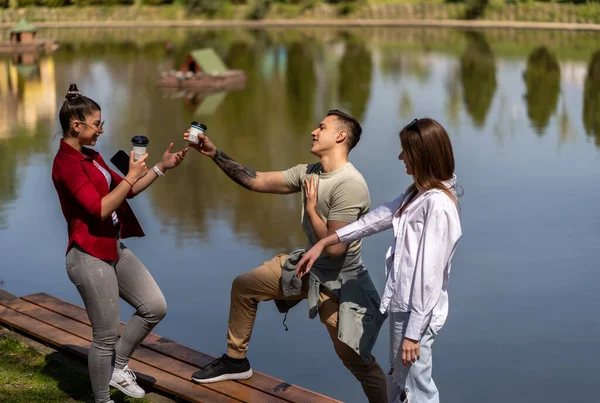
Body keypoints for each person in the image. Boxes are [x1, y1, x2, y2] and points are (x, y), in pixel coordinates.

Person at [185, 110, 388, 402]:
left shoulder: (350, 185)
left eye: (322, 127)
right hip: (307, 267)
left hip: (340, 285)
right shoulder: (310, 172)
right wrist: (215, 153)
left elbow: (334, 247)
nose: (313, 132)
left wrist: (311, 206)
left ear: (340, 136)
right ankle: (235, 361)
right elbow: (255, 180)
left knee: (356, 360)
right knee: (244, 286)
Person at [297, 118, 462, 403]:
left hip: (416, 314)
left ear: (422, 156)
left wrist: (413, 333)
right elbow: (376, 219)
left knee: (415, 388)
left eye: (405, 152)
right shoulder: (417, 194)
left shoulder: (437, 204)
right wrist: (327, 240)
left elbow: (429, 276)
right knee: (400, 383)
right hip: (404, 308)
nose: (400, 158)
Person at [51, 84, 188, 403]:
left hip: (112, 247)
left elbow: (126, 189)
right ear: (77, 126)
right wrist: (128, 178)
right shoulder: (67, 164)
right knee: (106, 335)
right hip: (87, 255)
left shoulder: (92, 155)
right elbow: (99, 208)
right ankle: (102, 399)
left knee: (154, 306)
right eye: (97, 123)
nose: (101, 129)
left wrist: (159, 168)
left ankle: (118, 367)